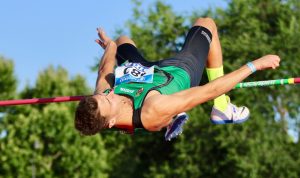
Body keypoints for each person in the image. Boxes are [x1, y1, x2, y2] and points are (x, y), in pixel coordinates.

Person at [74, 17, 280, 139]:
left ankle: (169, 120)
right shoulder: (152, 109)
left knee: (121, 41)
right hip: (179, 72)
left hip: (149, 73)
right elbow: (209, 90)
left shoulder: (101, 99)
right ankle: (222, 109)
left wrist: (110, 46)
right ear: (110, 122)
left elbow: (104, 70)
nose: (109, 94)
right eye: (108, 100)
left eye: (103, 95)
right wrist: (254, 65)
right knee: (206, 23)